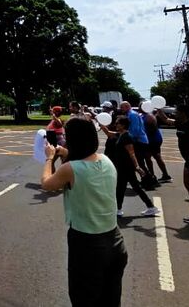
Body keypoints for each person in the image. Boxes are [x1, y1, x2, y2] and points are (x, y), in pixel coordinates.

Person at [41, 117, 127, 307]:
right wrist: (65, 153)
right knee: (111, 300)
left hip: (87, 245)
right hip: (115, 241)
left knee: (84, 299)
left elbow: (47, 184)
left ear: (73, 140)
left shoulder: (70, 169)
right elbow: (82, 162)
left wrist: (49, 157)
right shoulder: (105, 160)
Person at [111, 117, 160, 217]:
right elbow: (108, 132)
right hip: (122, 166)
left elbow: (131, 153)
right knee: (126, 188)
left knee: (123, 188)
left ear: (123, 125)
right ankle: (119, 209)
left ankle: (119, 209)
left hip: (126, 167)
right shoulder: (121, 135)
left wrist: (137, 166)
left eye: (117, 123)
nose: (116, 125)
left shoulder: (127, 137)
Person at [119, 102, 154, 189]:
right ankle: (147, 180)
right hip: (140, 140)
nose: (121, 109)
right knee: (139, 162)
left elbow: (135, 130)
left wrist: (128, 139)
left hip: (139, 141)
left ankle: (149, 180)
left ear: (127, 107)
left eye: (122, 107)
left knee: (140, 163)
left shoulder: (132, 115)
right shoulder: (131, 114)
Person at [143, 109, 172, 183]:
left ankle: (152, 176)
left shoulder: (149, 116)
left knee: (148, 157)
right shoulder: (148, 116)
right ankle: (165, 174)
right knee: (156, 157)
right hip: (155, 139)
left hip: (151, 140)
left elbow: (151, 129)